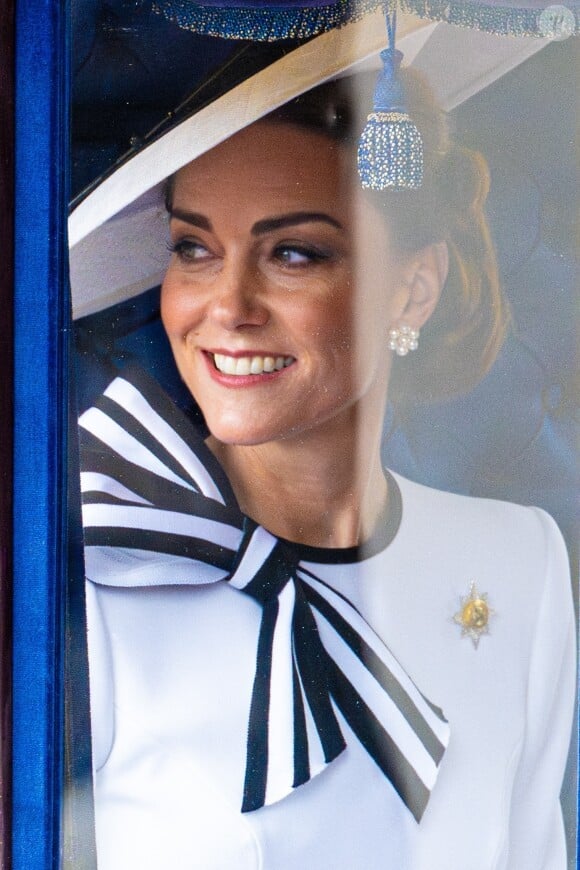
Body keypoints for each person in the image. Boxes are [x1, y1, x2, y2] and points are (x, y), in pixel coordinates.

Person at [78, 69, 575, 869]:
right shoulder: (98, 564)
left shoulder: (520, 565)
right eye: (194, 248)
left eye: (294, 253)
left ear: (412, 289)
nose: (228, 306)